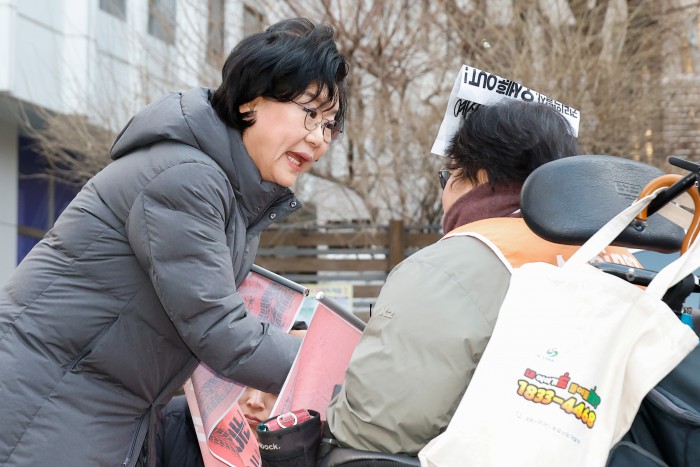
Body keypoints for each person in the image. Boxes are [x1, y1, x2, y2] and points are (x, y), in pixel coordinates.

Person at [0, 18, 348, 467]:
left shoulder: (233, 196)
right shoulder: (188, 178)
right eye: (309, 113)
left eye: (330, 125)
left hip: (94, 406)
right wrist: (343, 370)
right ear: (251, 100)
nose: (318, 139)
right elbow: (220, 331)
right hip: (47, 400)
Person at [326, 100, 642, 456]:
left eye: (447, 176)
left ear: (476, 175)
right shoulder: (629, 264)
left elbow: (377, 428)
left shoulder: (446, 269)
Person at [155, 323, 308, 467]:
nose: (255, 402)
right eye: (244, 383)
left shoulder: (308, 446)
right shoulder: (169, 420)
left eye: (276, 392)